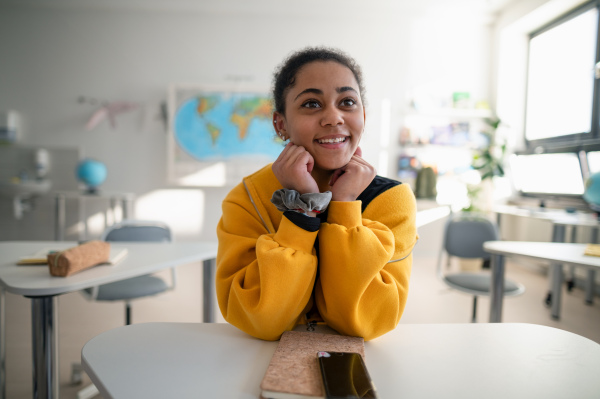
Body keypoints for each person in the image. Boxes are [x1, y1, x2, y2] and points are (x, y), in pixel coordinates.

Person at [216, 47, 417, 341]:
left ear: (363, 114)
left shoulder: (392, 200)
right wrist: (303, 212)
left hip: (365, 369)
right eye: (311, 104)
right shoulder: (248, 199)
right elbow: (259, 319)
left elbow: (368, 322)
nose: (333, 117)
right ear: (280, 124)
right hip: (256, 360)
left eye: (347, 102)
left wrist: (345, 205)